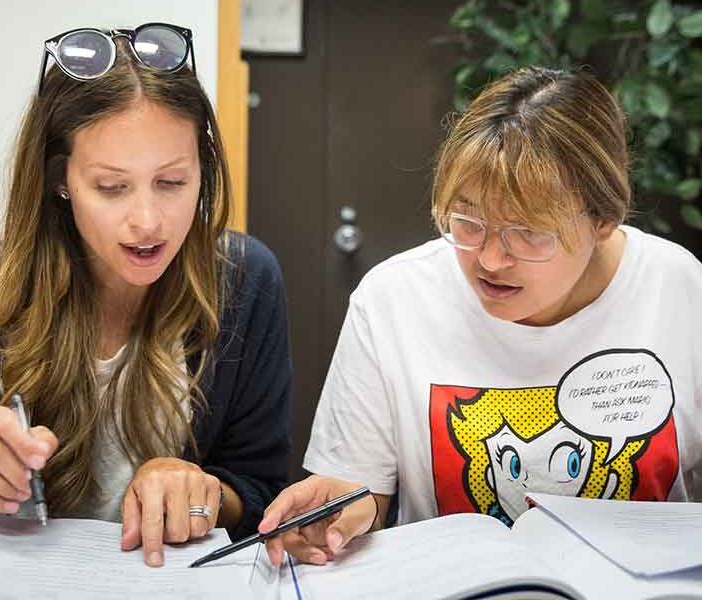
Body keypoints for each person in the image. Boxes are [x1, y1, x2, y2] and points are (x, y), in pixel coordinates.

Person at [259, 66, 702, 566]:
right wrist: (334, 508)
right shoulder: (392, 300)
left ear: (603, 220)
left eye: (529, 232)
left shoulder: (680, 290)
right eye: (468, 222)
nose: (490, 259)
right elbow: (361, 490)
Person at [0, 23, 292, 568]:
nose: (148, 221)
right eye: (111, 187)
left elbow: (265, 492)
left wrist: (201, 490)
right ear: (60, 181)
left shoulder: (246, 279)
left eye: (173, 182)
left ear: (203, 170)